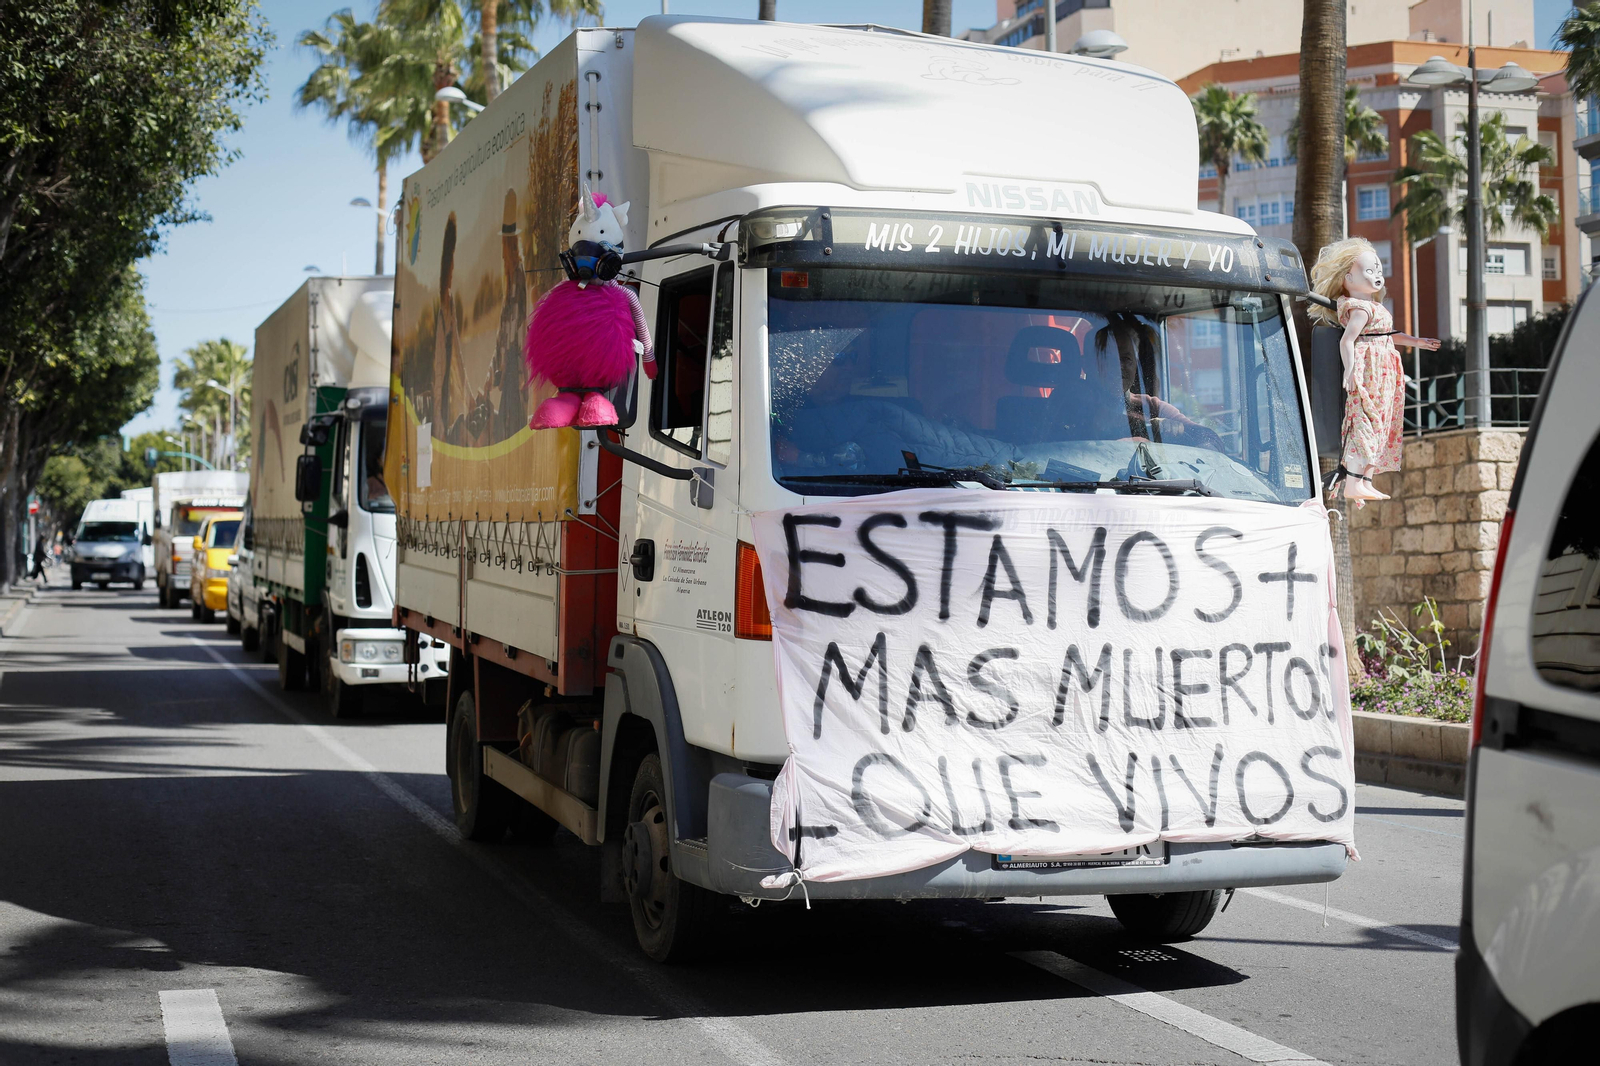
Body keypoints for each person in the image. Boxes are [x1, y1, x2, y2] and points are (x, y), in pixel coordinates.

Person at [1309, 237, 1440, 504]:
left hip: (1383, 371)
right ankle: (1354, 483)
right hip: (1368, 369)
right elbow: (1347, 341)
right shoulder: (1358, 309)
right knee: (1365, 425)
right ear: (1348, 277)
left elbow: (1388, 334)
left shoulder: (1374, 308)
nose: (1377, 275)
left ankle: (1365, 481)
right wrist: (1350, 371)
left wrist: (1417, 342)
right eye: (1369, 271)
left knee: (1380, 425)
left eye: (1378, 270)